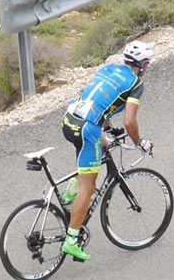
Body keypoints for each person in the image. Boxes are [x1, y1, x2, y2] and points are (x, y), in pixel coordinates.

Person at [59, 40, 155, 262]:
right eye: (147, 64)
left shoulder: (109, 68)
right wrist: (140, 141)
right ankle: (71, 241)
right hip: (87, 129)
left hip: (70, 118)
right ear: (142, 65)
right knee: (89, 187)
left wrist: (109, 129)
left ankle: (69, 193)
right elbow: (130, 121)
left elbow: (98, 102)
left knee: (94, 152)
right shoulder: (135, 83)